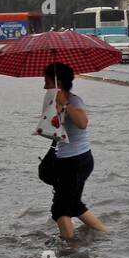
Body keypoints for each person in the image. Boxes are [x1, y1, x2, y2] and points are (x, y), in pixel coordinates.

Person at [39, 62, 107, 241]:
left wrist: (66, 104)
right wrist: (56, 111)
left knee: (60, 209)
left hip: (76, 161)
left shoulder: (74, 100)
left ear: (58, 82)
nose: (44, 85)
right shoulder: (52, 100)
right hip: (66, 160)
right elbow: (49, 131)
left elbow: (83, 123)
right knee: (74, 204)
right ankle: (105, 234)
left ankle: (71, 250)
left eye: (47, 81)